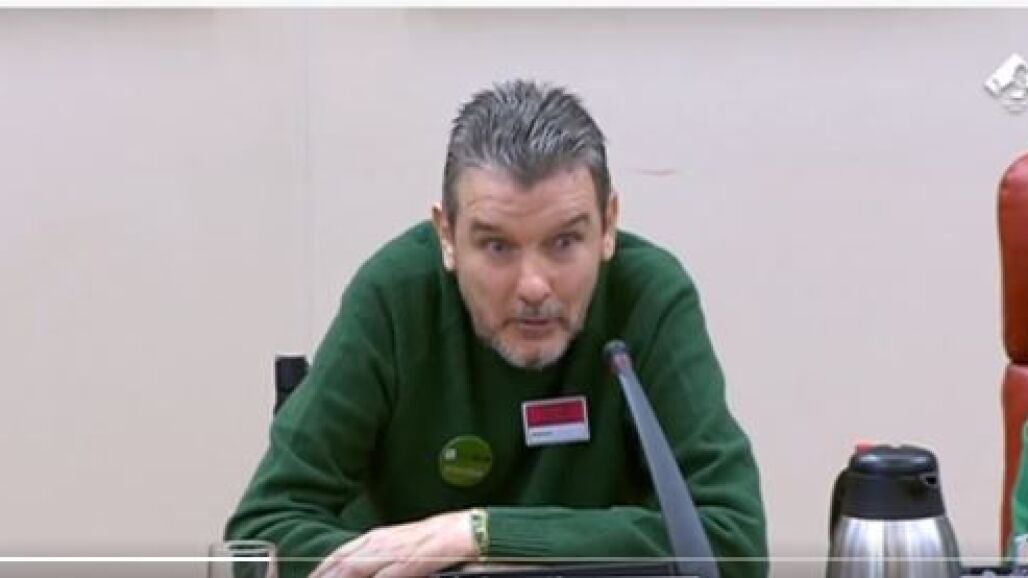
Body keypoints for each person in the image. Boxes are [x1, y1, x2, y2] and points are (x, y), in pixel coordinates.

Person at [225, 79, 768, 578]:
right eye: (496, 246)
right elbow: (262, 534)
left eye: (563, 242)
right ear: (446, 235)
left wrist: (480, 534)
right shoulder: (396, 295)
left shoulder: (649, 296)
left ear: (608, 227)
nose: (533, 286)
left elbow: (733, 542)